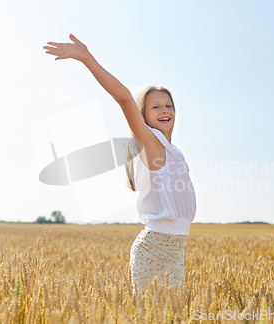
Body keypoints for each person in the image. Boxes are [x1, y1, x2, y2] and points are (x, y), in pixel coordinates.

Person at [43, 34, 197, 296]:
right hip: (153, 248)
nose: (164, 110)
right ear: (143, 117)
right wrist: (87, 58)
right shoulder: (151, 142)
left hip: (177, 249)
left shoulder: (175, 152)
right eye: (155, 106)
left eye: (168, 105)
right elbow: (124, 98)